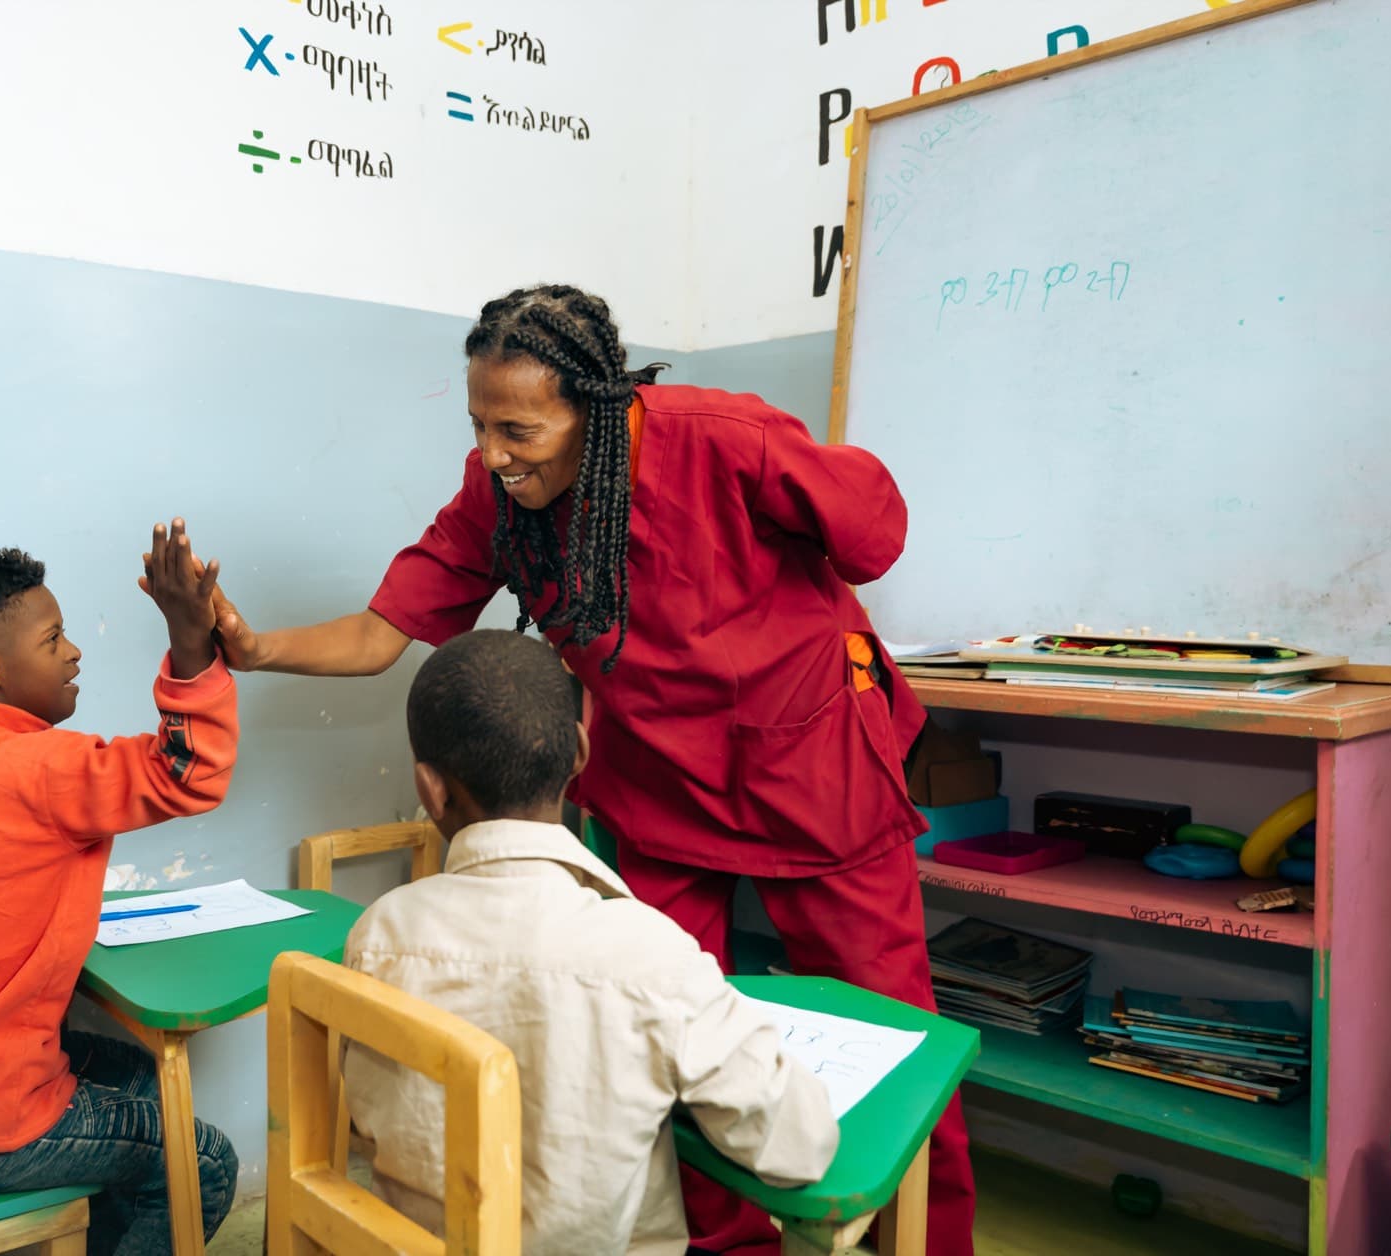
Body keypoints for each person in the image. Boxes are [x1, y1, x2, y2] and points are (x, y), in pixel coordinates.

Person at [208, 284, 973, 1255]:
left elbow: (874, 532)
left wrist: (834, 499)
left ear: (595, 409)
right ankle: (727, 1243)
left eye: (518, 427)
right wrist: (250, 645)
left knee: (897, 1039)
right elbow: (377, 633)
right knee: (649, 1037)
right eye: (481, 423)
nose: (492, 452)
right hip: (656, 785)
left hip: (810, 767)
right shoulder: (501, 496)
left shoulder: (724, 437)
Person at [343, 629, 837, 1254]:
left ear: (429, 787)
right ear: (580, 753)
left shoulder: (377, 936)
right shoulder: (651, 957)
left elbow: (367, 1122)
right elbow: (799, 1145)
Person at [0, 522, 240, 1256]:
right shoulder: (40, 769)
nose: (75, 652)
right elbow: (187, 772)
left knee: (150, 1081)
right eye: (54, 638)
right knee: (203, 1161)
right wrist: (192, 643)